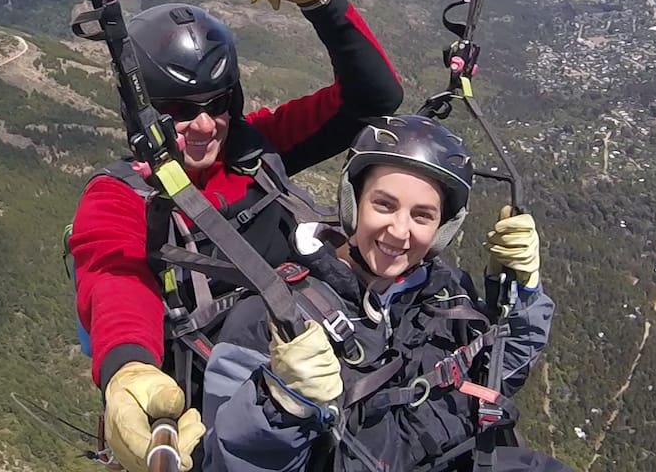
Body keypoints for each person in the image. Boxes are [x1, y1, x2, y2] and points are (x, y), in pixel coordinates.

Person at [67, 0, 404, 472]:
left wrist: (325, 5)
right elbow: (113, 276)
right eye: (179, 111)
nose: (204, 127)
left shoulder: (254, 149)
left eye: (217, 103)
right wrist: (128, 369)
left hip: (327, 378)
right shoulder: (122, 195)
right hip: (230, 426)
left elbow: (372, 98)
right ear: (143, 109)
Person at [200, 114, 570, 472]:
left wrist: (521, 293)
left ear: (443, 228)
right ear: (353, 202)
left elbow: (501, 372)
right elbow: (225, 461)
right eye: (384, 204)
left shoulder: (445, 296)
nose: (399, 231)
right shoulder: (272, 316)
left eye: (422, 216)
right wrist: (278, 406)